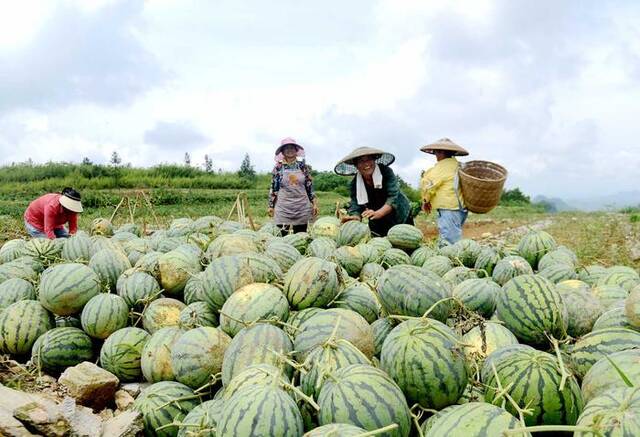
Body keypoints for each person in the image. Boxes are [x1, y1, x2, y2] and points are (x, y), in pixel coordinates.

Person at [335, 146, 413, 237]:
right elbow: (355, 205)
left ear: (374, 160)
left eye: (369, 159)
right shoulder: (354, 184)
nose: (366, 164)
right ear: (356, 165)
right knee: (382, 241)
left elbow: (393, 197)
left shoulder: (386, 172)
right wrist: (355, 217)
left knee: (405, 238)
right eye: (361, 161)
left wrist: (379, 213)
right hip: (376, 217)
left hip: (399, 212)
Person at [420, 138, 469, 245]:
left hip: (448, 208)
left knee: (449, 240)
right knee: (452, 234)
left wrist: (425, 201)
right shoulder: (458, 165)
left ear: (441, 152)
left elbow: (430, 187)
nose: (435, 155)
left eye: (436, 152)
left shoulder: (441, 167)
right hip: (460, 207)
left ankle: (450, 259)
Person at [268, 137, 318, 235]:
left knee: (300, 237)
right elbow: (273, 187)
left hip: (301, 207)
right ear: (282, 152)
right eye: (286, 148)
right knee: (281, 236)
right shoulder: (278, 168)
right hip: (283, 207)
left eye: (292, 148)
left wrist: (314, 203)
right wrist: (270, 206)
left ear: (296, 151)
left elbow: (309, 186)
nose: (289, 150)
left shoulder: (303, 167)